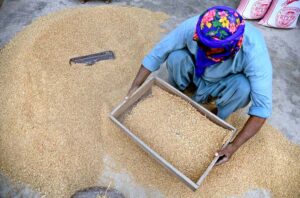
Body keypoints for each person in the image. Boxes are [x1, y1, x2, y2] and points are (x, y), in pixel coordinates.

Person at [127, 6, 272, 165]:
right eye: (204, 46)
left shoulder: (254, 52)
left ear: (232, 47)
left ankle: (217, 120)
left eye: (213, 51)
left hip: (223, 85)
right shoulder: (195, 26)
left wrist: (233, 146)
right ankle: (177, 94)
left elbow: (262, 109)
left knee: (243, 87)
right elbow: (157, 54)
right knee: (176, 57)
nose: (207, 52)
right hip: (196, 74)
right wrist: (135, 87)